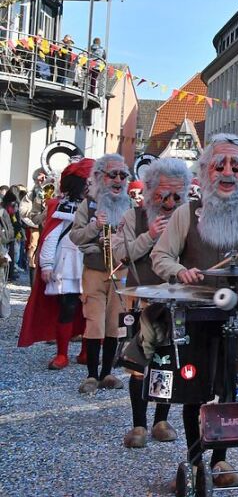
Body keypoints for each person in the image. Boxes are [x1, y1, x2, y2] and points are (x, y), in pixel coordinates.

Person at [151, 134, 238, 488]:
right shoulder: (187, 213)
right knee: (194, 393)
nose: (227, 173)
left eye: (235, 166)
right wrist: (179, 271)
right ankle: (195, 460)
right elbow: (160, 257)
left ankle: (220, 461)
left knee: (231, 390)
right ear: (205, 172)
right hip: (195, 315)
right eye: (219, 165)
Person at [112, 157, 190, 449]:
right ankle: (138, 424)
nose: (169, 203)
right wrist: (150, 236)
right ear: (150, 191)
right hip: (141, 300)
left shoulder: (188, 218)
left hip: (174, 303)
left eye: (176, 196)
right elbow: (120, 254)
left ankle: (160, 420)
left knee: (165, 363)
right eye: (162, 196)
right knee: (137, 364)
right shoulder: (133, 217)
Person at [69, 154, 133, 394]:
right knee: (94, 321)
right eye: (112, 174)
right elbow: (75, 236)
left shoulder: (130, 206)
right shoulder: (89, 204)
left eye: (122, 175)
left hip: (121, 270)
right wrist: (95, 228)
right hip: (95, 270)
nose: (118, 179)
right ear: (100, 177)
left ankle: (108, 372)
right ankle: (91, 375)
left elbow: (137, 238)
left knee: (115, 323)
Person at [35, 161, 92, 368]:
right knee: (67, 307)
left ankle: (87, 352)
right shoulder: (62, 205)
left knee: (90, 310)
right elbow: (51, 235)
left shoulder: (100, 204)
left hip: (91, 262)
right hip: (67, 263)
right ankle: (62, 354)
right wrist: (47, 264)